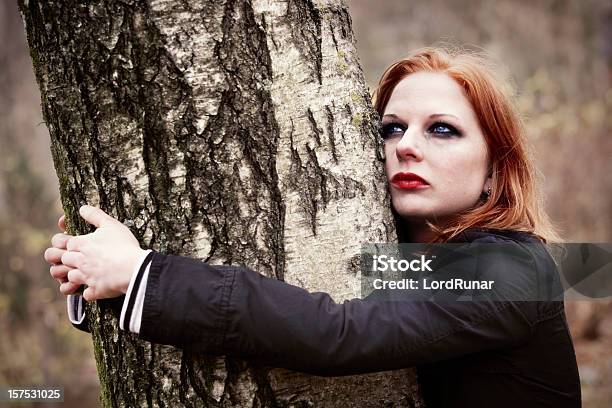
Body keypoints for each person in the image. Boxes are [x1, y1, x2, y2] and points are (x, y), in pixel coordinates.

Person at [43, 47, 581, 407]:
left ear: (494, 171)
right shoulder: (390, 254)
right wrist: (94, 271)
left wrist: (143, 276)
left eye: (442, 130)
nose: (406, 146)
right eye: (390, 128)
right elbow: (286, 301)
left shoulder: (514, 270)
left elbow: (333, 333)